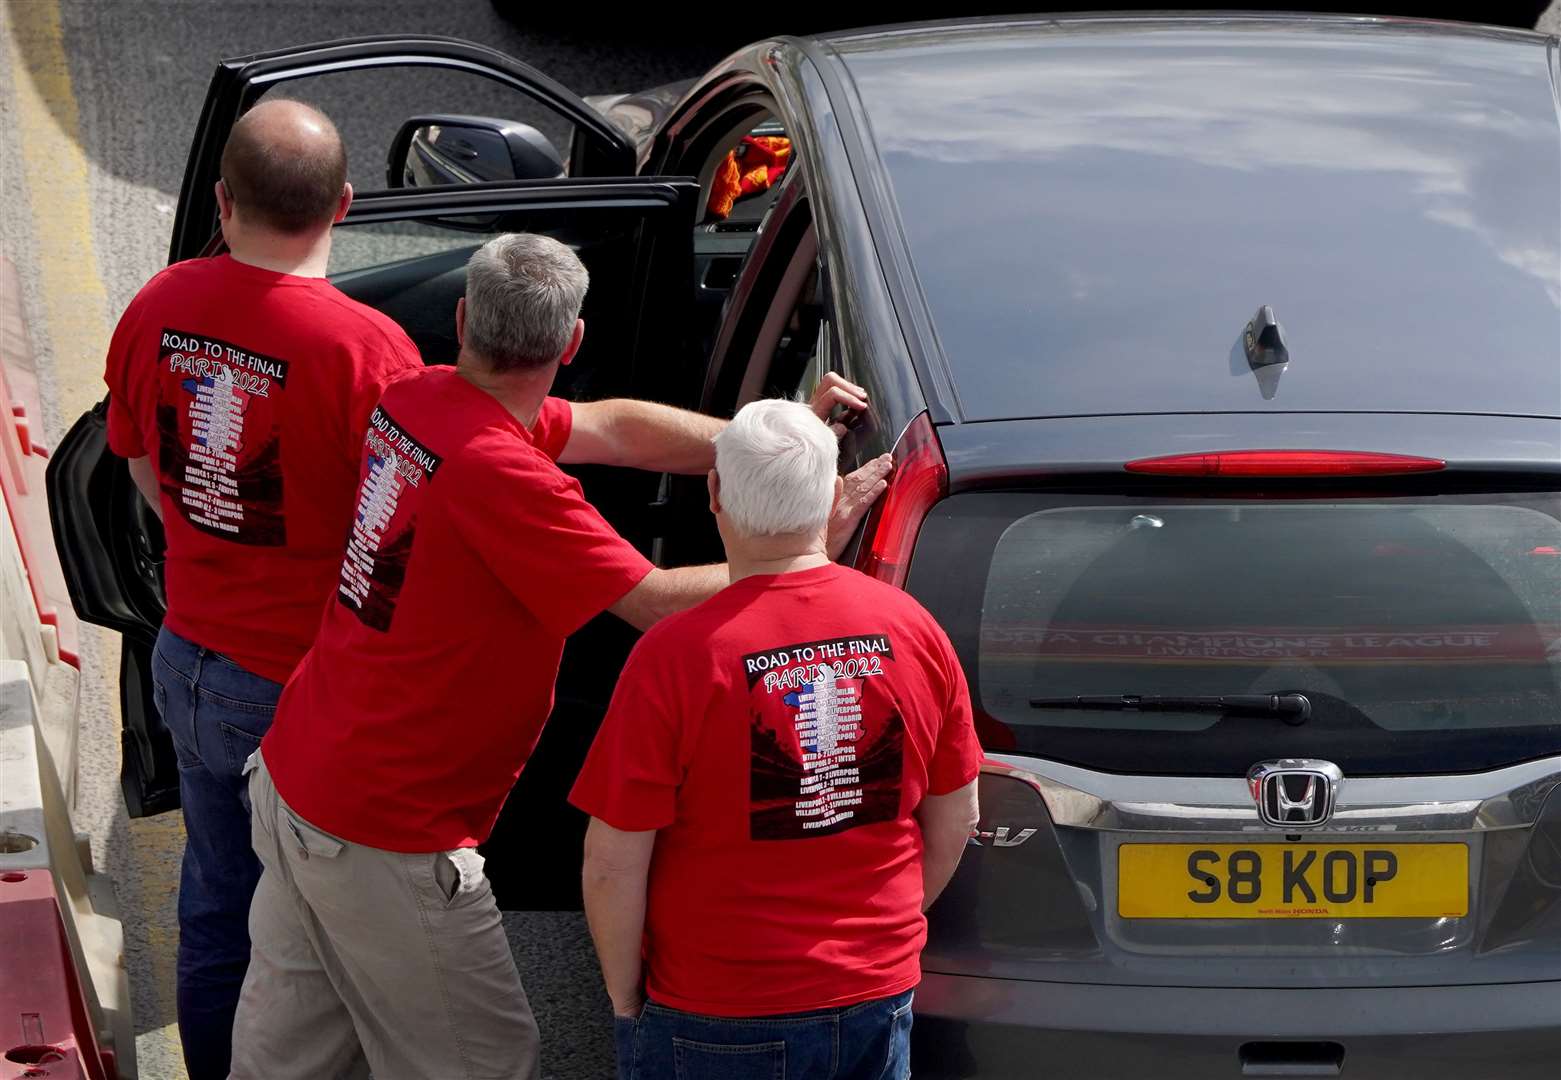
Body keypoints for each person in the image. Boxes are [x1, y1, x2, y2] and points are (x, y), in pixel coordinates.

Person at [229, 232, 892, 1080]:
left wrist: (769, 447)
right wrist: (803, 548)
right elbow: (650, 603)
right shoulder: (506, 478)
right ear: (571, 343)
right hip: (383, 836)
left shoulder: (420, 398)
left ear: (464, 320)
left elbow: (611, 428)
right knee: (486, 1065)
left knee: (289, 1062)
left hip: (299, 785)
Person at [99, 99, 427, 1079]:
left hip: (187, 660)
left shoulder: (161, 304)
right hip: (298, 689)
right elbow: (403, 550)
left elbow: (140, 466)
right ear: (347, 205)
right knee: (330, 936)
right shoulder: (370, 355)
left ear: (220, 199)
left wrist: (213, 539)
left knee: (215, 909)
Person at [571, 398, 983, 1080]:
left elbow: (613, 862)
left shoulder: (678, 655)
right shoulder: (913, 629)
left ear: (713, 493)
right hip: (874, 999)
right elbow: (957, 817)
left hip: (717, 1008)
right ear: (828, 496)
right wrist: (880, 937)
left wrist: (623, 995)